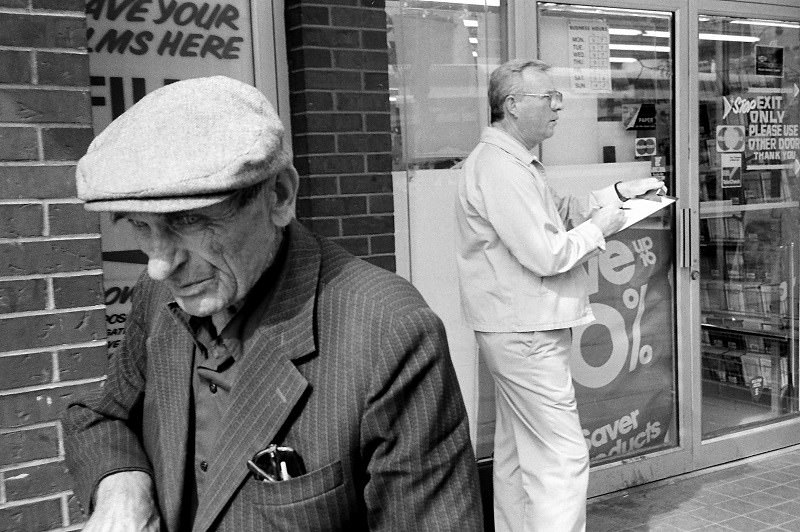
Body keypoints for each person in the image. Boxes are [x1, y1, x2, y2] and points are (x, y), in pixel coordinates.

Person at [63, 76, 483, 531]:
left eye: (187, 221)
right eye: (139, 227)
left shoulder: (388, 331)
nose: (160, 265)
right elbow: (100, 416)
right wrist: (122, 486)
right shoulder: (159, 295)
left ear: (279, 196)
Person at [454, 59, 666, 532]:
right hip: (526, 332)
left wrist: (620, 192)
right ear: (511, 104)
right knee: (562, 459)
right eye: (547, 97)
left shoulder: (513, 161)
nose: (558, 106)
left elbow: (559, 212)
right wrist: (601, 228)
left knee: (516, 455)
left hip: (516, 328)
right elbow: (548, 253)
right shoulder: (500, 168)